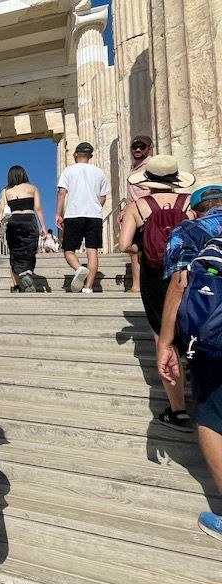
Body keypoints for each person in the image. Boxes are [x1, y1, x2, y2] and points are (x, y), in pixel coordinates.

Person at [157, 185, 222, 540]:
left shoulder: (190, 230)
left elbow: (180, 284)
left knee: (211, 417)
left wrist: (167, 342)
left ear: (195, 210)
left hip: (214, 338)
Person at [118, 155, 195, 429]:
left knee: (164, 339)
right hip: (187, 273)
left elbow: (123, 245)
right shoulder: (189, 203)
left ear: (148, 180)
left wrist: (145, 248)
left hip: (155, 277)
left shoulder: (137, 206)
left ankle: (178, 410)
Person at [55, 142, 109, 294]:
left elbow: (62, 193)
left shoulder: (68, 170)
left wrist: (58, 214)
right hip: (94, 215)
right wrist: (95, 207)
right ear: (90, 156)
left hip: (74, 214)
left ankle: (79, 268)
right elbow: (103, 197)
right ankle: (88, 287)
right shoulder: (99, 172)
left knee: (69, 250)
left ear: (75, 155)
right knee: (92, 252)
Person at [0, 166, 46, 292]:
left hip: (14, 221)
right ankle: (27, 272)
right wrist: (43, 226)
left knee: (15, 252)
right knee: (30, 249)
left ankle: (18, 284)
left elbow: (0, 210)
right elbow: (38, 208)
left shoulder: (5, 191)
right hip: (30, 220)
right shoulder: (33, 188)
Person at [120, 135, 154, 293]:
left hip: (148, 211)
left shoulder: (152, 165)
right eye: (135, 147)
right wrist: (125, 209)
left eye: (142, 146)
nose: (138, 149)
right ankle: (136, 285)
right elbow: (132, 193)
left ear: (150, 148)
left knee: (148, 247)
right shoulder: (134, 167)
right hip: (134, 213)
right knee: (132, 249)